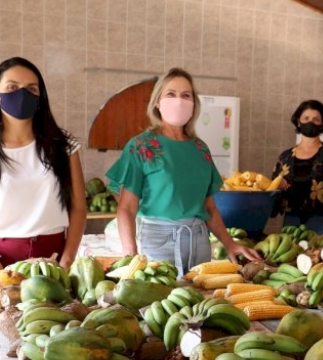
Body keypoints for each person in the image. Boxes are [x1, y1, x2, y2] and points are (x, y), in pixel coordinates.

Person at [0, 57, 87, 297]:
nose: (22, 95)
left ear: (40, 98)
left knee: (52, 331)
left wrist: (67, 260)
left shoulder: (64, 146)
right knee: (2, 333)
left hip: (53, 261)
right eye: (12, 88)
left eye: (32, 89)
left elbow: (78, 208)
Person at [106, 68, 259, 274]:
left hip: (199, 241)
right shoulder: (142, 146)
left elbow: (210, 208)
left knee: (196, 302)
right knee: (159, 304)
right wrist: (131, 255)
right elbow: (126, 208)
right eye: (171, 94)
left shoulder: (200, 148)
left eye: (186, 95)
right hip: (157, 243)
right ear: (157, 102)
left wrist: (229, 244)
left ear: (193, 104)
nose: (179, 100)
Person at [271, 100, 323, 234]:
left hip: (322, 220)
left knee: (318, 254)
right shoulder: (285, 157)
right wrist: (278, 184)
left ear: (322, 124)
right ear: (298, 121)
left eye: (316, 119)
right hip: (291, 218)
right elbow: (272, 185)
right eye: (306, 118)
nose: (310, 122)